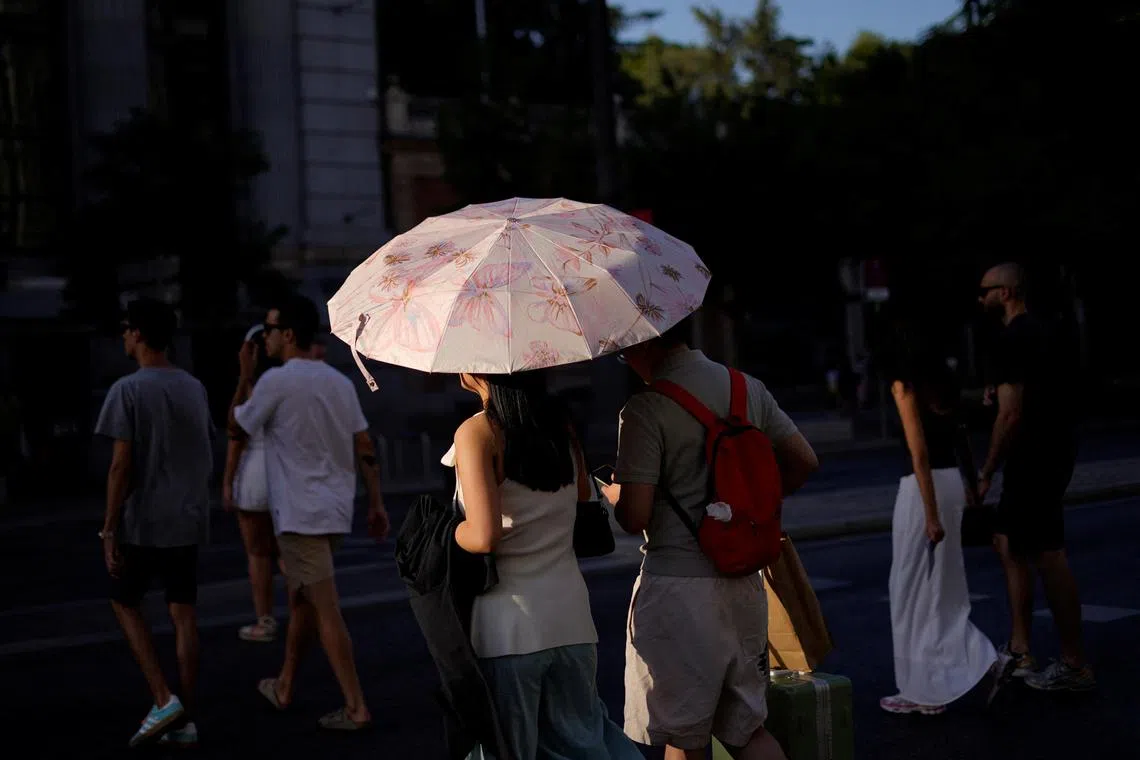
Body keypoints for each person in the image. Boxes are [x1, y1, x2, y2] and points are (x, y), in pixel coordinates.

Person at [601, 322, 819, 760]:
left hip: (680, 588)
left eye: (626, 354)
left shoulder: (646, 409)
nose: (629, 364)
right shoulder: (746, 388)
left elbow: (635, 516)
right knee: (747, 729)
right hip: (744, 583)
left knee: (685, 737)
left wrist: (612, 493)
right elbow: (804, 460)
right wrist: (755, 510)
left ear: (644, 342)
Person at [447, 370, 640, 760]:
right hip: (571, 621)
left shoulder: (477, 433)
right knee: (586, 746)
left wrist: (446, 532)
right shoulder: (562, 426)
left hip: (507, 626)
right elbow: (583, 504)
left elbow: (483, 536)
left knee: (509, 749)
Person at [229, 294, 390, 730]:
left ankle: (356, 706)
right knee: (302, 602)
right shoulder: (339, 382)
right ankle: (284, 685)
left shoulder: (276, 381)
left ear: (289, 335)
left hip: (300, 518)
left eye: (269, 331)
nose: (264, 339)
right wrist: (375, 502)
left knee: (324, 607)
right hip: (335, 513)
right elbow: (364, 444)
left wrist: (244, 377)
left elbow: (236, 428)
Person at [95, 298, 213, 749]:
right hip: (187, 517)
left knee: (125, 602)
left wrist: (109, 528)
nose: (124, 336)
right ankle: (186, 717)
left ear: (139, 334)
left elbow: (120, 466)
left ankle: (164, 699)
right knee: (184, 614)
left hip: (144, 520)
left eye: (126, 329)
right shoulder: (194, 387)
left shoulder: (127, 390)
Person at [977, 262, 1094, 691]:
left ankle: (1075, 664)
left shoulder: (1011, 339)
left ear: (1005, 292)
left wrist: (986, 470)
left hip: (1033, 456)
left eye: (985, 290)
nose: (979, 298)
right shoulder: (1050, 332)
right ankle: (1021, 649)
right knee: (1007, 540)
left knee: (1047, 552)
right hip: (1055, 448)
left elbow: (1010, 413)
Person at [878, 318, 1000, 715]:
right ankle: (977, 659)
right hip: (951, 485)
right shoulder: (942, 383)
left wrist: (930, 515)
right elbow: (959, 435)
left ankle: (924, 692)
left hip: (922, 489)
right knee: (944, 588)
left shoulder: (904, 385)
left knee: (909, 590)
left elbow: (919, 454)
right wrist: (970, 483)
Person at [223, 324, 281, 642]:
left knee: (258, 554)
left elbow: (235, 431)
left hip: (255, 477)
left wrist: (227, 483)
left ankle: (265, 618)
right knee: (288, 553)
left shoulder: (255, 388)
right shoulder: (287, 381)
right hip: (286, 476)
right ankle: (309, 611)